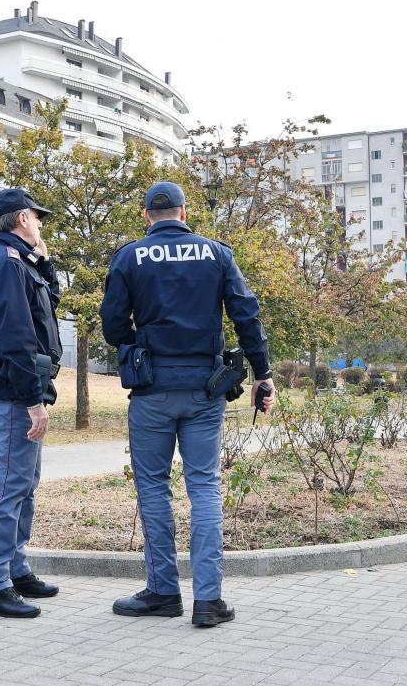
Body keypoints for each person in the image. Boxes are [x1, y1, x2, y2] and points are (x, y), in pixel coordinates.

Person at [100, 181, 274, 629]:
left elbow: (113, 325)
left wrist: (142, 340)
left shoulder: (129, 256)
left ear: (146, 215)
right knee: (204, 488)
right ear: (183, 211)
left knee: (154, 489)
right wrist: (263, 374)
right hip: (204, 388)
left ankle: (162, 592)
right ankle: (209, 600)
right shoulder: (216, 253)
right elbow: (246, 315)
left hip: (152, 388)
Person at [0, 188, 63, 619]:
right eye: (38, 218)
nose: (41, 224)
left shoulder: (20, 263)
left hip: (23, 386)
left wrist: (45, 262)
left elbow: (46, 310)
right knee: (8, 488)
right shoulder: (6, 264)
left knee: (23, 485)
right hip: (15, 390)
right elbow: (17, 336)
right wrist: (33, 401)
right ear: (23, 218)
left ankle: (14, 568)